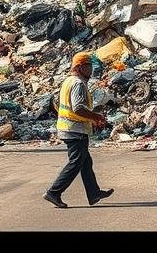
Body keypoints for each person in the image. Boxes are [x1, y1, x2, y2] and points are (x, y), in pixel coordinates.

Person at [43, 51, 114, 209]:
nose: (91, 70)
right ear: (80, 67)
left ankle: (94, 193)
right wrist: (95, 116)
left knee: (85, 162)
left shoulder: (69, 81)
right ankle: (54, 192)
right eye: (89, 67)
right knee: (75, 163)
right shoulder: (78, 84)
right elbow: (78, 108)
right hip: (75, 130)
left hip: (69, 128)